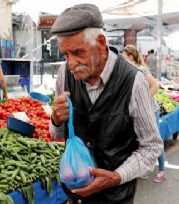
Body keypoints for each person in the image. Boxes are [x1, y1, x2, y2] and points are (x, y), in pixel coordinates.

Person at [49, 4, 163, 203]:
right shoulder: (64, 74)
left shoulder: (133, 81)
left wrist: (115, 177)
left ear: (101, 43)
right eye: (65, 55)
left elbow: (151, 147)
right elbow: (58, 135)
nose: (71, 64)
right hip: (76, 196)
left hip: (116, 197)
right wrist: (56, 120)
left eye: (77, 52)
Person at [123, 45, 167, 183]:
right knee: (141, 139)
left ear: (130, 56)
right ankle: (145, 168)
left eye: (124, 56)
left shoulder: (141, 70)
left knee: (154, 139)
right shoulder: (129, 71)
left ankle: (162, 170)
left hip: (150, 110)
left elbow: (155, 86)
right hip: (138, 111)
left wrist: (144, 101)